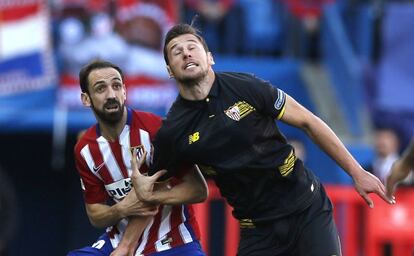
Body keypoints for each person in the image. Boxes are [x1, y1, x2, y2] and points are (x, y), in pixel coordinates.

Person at [130, 22, 395, 256]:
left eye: (192, 46)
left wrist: (356, 171)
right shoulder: (173, 131)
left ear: (210, 57)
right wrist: (148, 197)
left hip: (306, 209)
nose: (186, 52)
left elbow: (308, 122)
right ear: (169, 70)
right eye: (176, 51)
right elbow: (192, 190)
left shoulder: (246, 87)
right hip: (258, 231)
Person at [67, 60, 207, 256]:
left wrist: (149, 197)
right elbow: (95, 215)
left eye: (116, 86)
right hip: (117, 241)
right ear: (86, 99)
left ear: (124, 91)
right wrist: (122, 208)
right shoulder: (85, 150)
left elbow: (199, 190)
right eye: (100, 89)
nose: (111, 95)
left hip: (173, 242)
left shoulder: (155, 130)